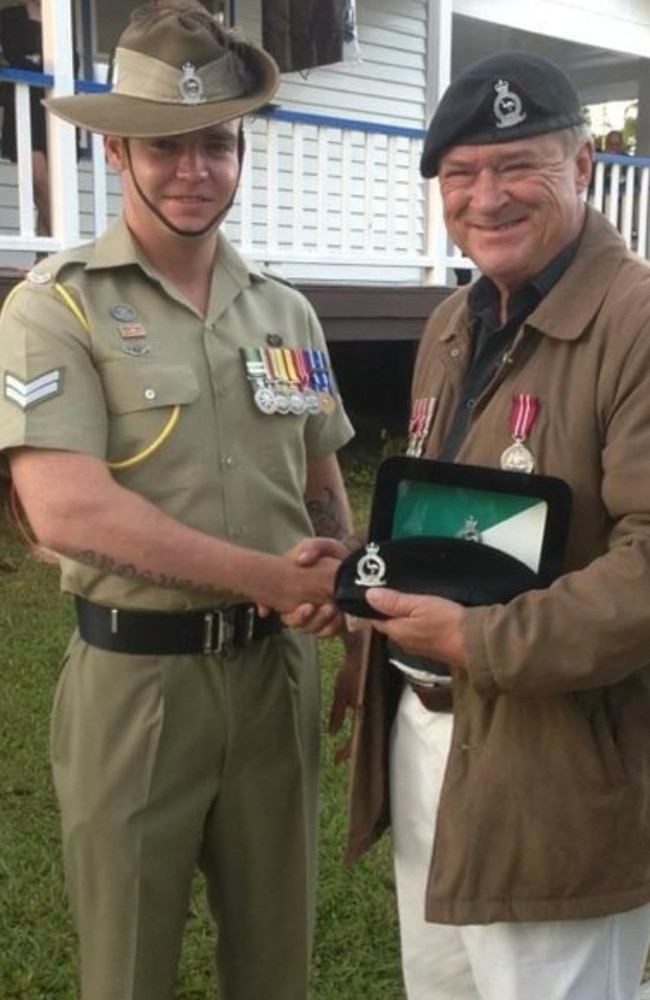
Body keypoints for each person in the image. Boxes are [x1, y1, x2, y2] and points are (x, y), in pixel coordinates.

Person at [0, 4, 355, 999]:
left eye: (215, 144)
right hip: (136, 682)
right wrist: (273, 581)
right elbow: (69, 511)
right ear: (116, 151)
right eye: (165, 148)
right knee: (127, 969)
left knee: (276, 961)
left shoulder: (283, 310)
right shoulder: (55, 306)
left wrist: (352, 607)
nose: (193, 170)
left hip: (273, 682)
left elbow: (320, 477)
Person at [342, 51, 650, 1000]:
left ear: (583, 167)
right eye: (463, 172)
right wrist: (365, 571)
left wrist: (479, 638)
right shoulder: (451, 322)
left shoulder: (636, 321)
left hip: (560, 769)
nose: (488, 196)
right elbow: (467, 520)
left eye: (520, 165)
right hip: (431, 743)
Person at [1, 0, 51, 235]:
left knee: (52, 185)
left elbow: (73, 61)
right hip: (23, 106)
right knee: (39, 179)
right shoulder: (9, 17)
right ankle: (68, 244)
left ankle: (44, 260)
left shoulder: (56, 18)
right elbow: (12, 57)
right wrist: (43, 66)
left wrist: (37, 63)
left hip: (52, 109)